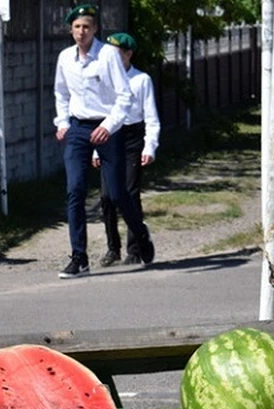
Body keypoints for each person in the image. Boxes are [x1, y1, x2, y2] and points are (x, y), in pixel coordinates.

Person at [53, 4, 155, 279]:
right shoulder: (65, 58)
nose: (81, 32)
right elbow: (61, 93)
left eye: (86, 26)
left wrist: (108, 126)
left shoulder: (108, 55)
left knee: (118, 193)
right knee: (75, 190)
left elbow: (124, 97)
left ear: (95, 29)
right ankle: (79, 257)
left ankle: (141, 236)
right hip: (78, 128)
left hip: (107, 127)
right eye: (76, 27)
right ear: (70, 30)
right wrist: (62, 123)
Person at [95, 32, 161, 267]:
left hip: (133, 138)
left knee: (129, 194)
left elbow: (151, 117)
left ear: (128, 54)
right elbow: (99, 116)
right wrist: (96, 150)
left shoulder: (141, 80)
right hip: (109, 137)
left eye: (117, 54)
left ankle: (135, 247)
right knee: (107, 196)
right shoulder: (104, 79)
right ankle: (113, 247)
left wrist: (149, 146)